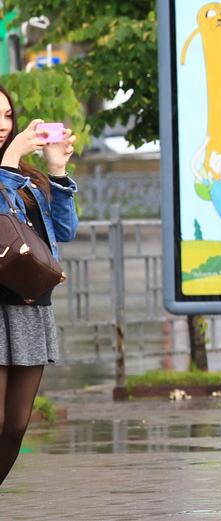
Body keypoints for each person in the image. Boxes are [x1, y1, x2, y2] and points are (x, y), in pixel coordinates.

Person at [0, 86, 80, 485]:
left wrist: (57, 171)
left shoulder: (28, 182)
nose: (2, 126)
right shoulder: (12, 171)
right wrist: (11, 160)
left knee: (14, 426)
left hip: (30, 307)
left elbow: (64, 230)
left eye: (8, 116)